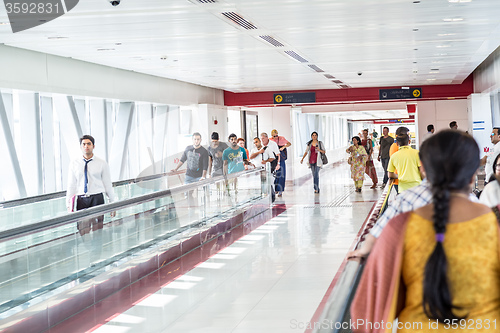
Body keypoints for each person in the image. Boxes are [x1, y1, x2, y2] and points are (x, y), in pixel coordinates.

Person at [351, 130, 500, 332]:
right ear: (474, 173)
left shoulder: (401, 226)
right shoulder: (492, 225)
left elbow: (369, 306)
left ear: (424, 171)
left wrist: (363, 252)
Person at [66, 135, 116, 235]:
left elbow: (107, 184)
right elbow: (71, 185)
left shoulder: (102, 163)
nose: (86, 146)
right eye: (83, 144)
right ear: (80, 147)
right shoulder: (74, 163)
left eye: (89, 144)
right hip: (81, 199)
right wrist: (68, 204)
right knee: (82, 230)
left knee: (98, 229)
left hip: (97, 198)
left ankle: (97, 248)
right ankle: (86, 248)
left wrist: (113, 204)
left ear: (93, 146)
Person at [270, 129, 291, 197]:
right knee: (274, 174)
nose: (276, 137)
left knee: (281, 173)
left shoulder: (281, 138)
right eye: (274, 136)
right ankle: (275, 188)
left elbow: (289, 143)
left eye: (276, 135)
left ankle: (280, 190)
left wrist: (283, 147)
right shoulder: (270, 140)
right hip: (274, 158)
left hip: (281, 158)